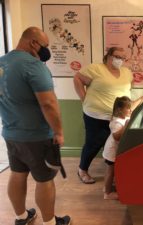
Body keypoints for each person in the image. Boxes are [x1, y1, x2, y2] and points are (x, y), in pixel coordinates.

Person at [0, 27, 71, 225]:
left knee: (17, 173)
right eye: (45, 46)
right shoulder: (33, 66)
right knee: (44, 179)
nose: (46, 51)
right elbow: (48, 104)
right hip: (37, 136)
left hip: (10, 132)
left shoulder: (1, 63)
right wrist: (59, 131)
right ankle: (49, 222)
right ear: (33, 43)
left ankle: (21, 217)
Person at [73, 47, 143, 184]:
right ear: (109, 56)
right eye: (117, 56)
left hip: (119, 117)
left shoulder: (126, 72)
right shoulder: (96, 69)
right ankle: (82, 170)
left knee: (115, 146)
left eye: (123, 58)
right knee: (93, 144)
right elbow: (77, 78)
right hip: (96, 116)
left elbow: (129, 86)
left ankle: (113, 174)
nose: (120, 60)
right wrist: (84, 98)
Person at [102, 96, 131, 200]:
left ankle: (107, 187)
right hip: (112, 151)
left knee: (112, 170)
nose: (130, 110)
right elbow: (116, 137)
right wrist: (126, 126)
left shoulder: (124, 118)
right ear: (119, 110)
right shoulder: (116, 122)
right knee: (111, 171)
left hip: (114, 150)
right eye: (127, 108)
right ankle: (107, 193)